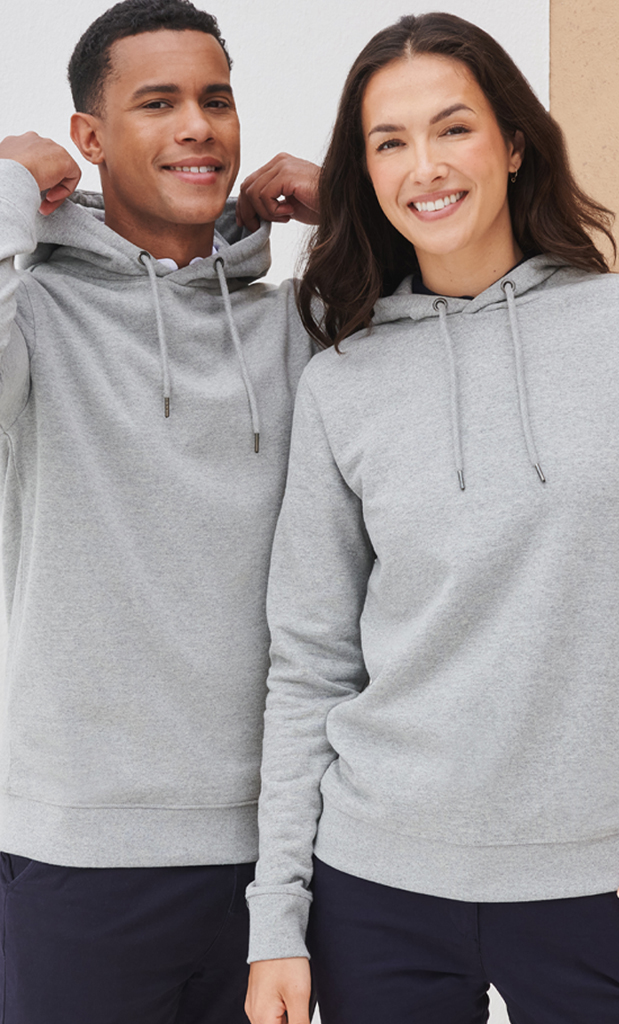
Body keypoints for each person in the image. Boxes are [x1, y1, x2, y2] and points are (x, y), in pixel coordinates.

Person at [245, 12, 619, 1024]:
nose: (425, 166)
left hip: (602, 878)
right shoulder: (343, 381)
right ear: (365, 173)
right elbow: (310, 659)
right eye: (389, 143)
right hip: (374, 885)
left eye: (453, 128)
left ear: (515, 142)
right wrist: (278, 911)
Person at [0, 2, 320, 1021]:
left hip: (277, 858)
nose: (198, 127)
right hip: (78, 851)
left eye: (216, 100)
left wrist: (351, 206)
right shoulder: (34, 318)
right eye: (158, 103)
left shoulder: (291, 327)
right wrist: (4, 186)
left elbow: (444, 331)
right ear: (88, 137)